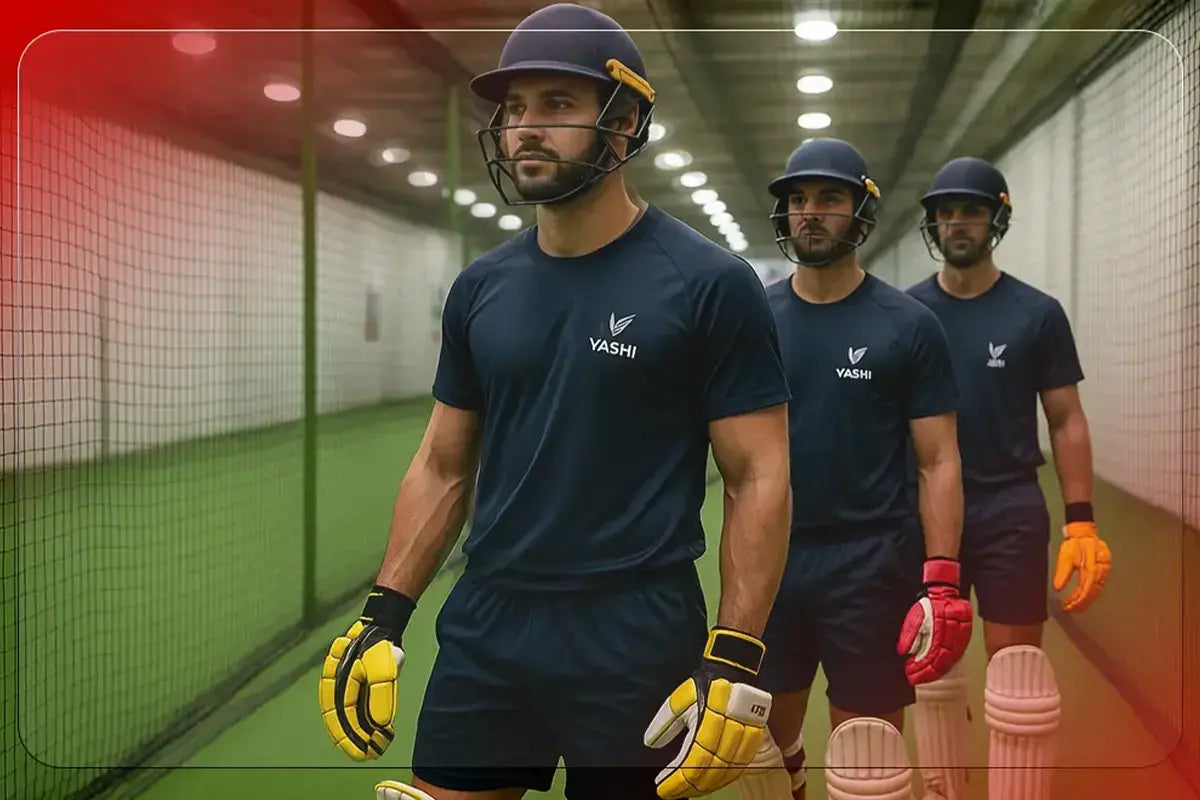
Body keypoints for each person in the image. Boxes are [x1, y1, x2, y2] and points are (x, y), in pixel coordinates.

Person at [317, 4, 795, 799]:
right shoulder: (481, 289)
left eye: (557, 105)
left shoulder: (709, 284)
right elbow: (442, 465)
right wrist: (384, 613)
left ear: (625, 122)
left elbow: (758, 475)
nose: (525, 128)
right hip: (488, 624)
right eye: (514, 109)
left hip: (635, 632)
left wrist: (735, 653)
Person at [734, 138, 973, 800]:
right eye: (798, 199)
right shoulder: (754, 320)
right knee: (760, 748)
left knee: (869, 755)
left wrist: (943, 580)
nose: (809, 212)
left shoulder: (909, 325)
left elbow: (939, 458)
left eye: (829, 198)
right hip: (770, 563)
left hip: (871, 563)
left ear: (861, 211)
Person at [905, 156, 1112, 800]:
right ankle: (944, 787)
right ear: (933, 223)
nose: (957, 222)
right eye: (945, 210)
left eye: (970, 209)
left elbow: (1066, 419)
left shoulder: (1037, 313)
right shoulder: (907, 314)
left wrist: (1081, 520)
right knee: (931, 671)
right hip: (927, 512)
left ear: (996, 218)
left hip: (1011, 508)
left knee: (1015, 671)